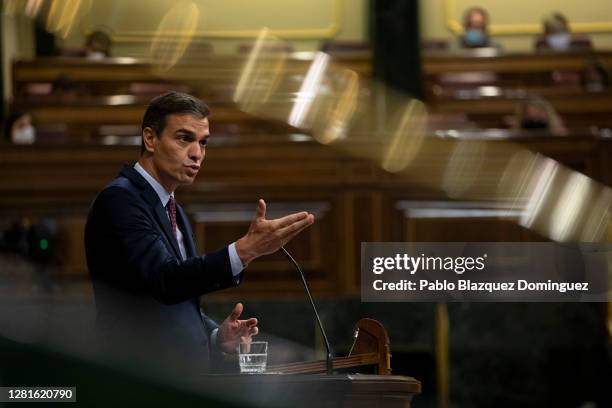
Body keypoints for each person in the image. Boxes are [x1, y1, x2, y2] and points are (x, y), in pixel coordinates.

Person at [84, 91, 314, 376]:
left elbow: (177, 298)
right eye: (184, 139)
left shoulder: (173, 208)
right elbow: (165, 280)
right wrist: (244, 250)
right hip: (139, 379)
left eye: (203, 143)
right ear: (150, 139)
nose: (197, 153)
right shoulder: (120, 200)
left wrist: (217, 336)